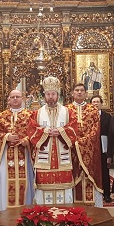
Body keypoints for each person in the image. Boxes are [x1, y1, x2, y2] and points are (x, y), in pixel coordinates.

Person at [27, 76, 80, 205]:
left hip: (63, 158)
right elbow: (30, 130)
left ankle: (65, 213)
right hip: (44, 159)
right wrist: (45, 131)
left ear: (58, 95)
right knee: (43, 189)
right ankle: (42, 214)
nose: (51, 97)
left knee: (64, 187)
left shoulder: (67, 112)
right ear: (44, 95)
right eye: (48, 94)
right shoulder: (37, 113)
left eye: (53, 94)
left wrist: (61, 131)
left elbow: (74, 129)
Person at [0, 90, 34, 211]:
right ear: (9, 99)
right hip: (7, 155)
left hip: (24, 155)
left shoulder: (30, 115)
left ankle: (27, 211)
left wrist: (27, 140)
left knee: (26, 182)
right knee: (6, 182)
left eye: (18, 97)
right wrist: (6, 137)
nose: (15, 99)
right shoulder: (2, 116)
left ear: (23, 99)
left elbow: (35, 132)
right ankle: (5, 211)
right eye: (12, 97)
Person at [65, 83, 103, 205]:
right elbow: (64, 128)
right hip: (71, 150)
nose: (79, 92)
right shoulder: (66, 110)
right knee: (73, 176)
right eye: (77, 90)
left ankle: (94, 209)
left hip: (90, 151)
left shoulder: (93, 110)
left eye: (82, 90)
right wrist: (72, 142)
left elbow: (95, 130)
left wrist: (81, 142)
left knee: (89, 178)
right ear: (72, 93)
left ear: (86, 94)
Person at [91, 95, 112, 203]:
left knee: (104, 171)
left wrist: (109, 153)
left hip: (104, 146)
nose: (95, 104)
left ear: (101, 103)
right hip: (91, 148)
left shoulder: (107, 117)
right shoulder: (88, 116)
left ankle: (107, 194)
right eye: (93, 102)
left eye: (97, 102)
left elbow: (110, 133)